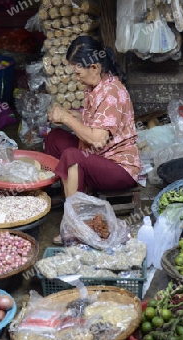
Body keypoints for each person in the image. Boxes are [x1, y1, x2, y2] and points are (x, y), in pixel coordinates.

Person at [44, 35, 141, 245]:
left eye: (78, 72)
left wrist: (67, 118)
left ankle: (73, 225)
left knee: (72, 155)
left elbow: (97, 140)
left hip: (119, 168)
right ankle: (73, 196)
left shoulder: (111, 93)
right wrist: (66, 114)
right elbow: (93, 119)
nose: (76, 77)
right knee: (54, 138)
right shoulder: (96, 86)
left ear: (95, 67)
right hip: (98, 157)